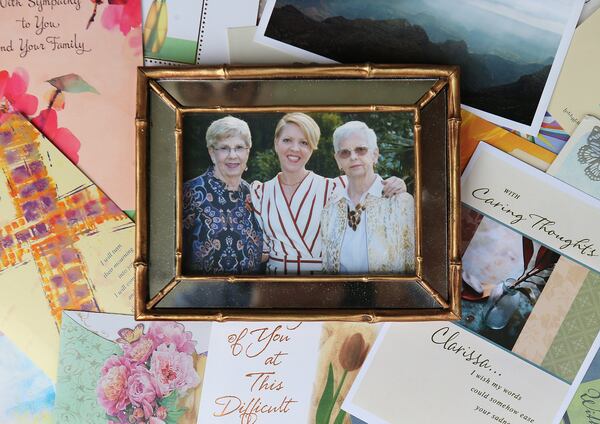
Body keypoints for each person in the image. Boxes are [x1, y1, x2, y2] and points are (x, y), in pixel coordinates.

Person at [250, 113, 406, 275]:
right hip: (276, 286)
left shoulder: (335, 188)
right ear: (276, 143)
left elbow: (371, 184)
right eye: (287, 140)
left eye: (304, 142)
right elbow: (259, 249)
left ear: (312, 148)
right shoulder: (259, 193)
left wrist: (396, 184)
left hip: (325, 285)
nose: (295, 148)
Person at [320, 121, 415, 273]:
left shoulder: (400, 202)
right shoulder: (329, 208)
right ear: (338, 160)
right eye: (345, 152)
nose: (353, 157)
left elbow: (412, 264)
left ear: (375, 155)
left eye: (361, 150)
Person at [182, 116, 263, 274]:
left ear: (248, 152)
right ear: (212, 152)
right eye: (224, 148)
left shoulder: (255, 195)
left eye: (239, 147)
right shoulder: (189, 193)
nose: (232, 155)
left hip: (249, 294)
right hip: (202, 294)